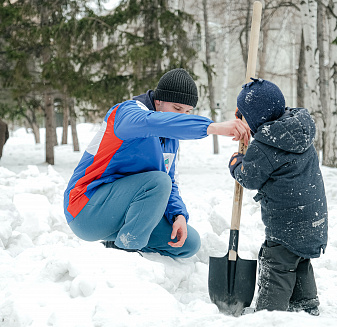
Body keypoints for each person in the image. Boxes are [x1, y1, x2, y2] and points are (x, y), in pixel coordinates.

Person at [64, 68, 250, 259]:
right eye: (178, 109)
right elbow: (153, 124)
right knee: (158, 181)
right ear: (158, 101)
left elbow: (170, 180)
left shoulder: (170, 139)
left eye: (187, 112)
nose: (182, 116)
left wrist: (178, 215)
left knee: (187, 242)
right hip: (86, 209)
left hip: (122, 215)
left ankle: (117, 243)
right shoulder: (127, 114)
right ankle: (126, 255)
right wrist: (212, 127)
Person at [228, 78, 328, 315]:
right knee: (300, 258)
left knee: (277, 265)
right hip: (314, 218)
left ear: (255, 119)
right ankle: (305, 304)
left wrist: (236, 162)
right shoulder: (297, 130)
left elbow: (249, 177)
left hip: (286, 224)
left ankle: (269, 313)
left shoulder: (266, 144)